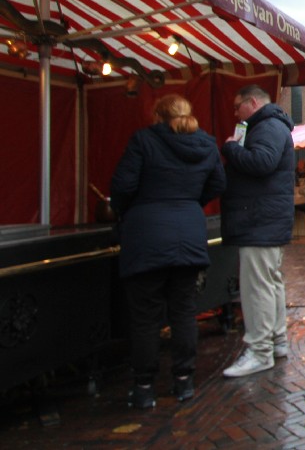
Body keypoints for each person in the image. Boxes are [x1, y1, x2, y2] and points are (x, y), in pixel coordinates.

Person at [110, 94, 226, 408]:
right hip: (188, 233)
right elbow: (218, 183)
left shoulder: (143, 140)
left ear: (158, 115)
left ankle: (144, 387)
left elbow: (122, 186)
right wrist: (190, 203)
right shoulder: (206, 145)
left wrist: (133, 209)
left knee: (145, 318)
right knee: (184, 312)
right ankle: (184, 381)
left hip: (146, 235)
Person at [220, 84, 295, 377]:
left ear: (252, 102)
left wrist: (231, 149)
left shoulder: (266, 127)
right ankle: (276, 341)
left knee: (257, 286)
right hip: (266, 219)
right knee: (270, 281)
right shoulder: (274, 126)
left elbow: (262, 162)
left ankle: (260, 351)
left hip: (258, 219)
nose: (235, 113)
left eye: (237, 106)